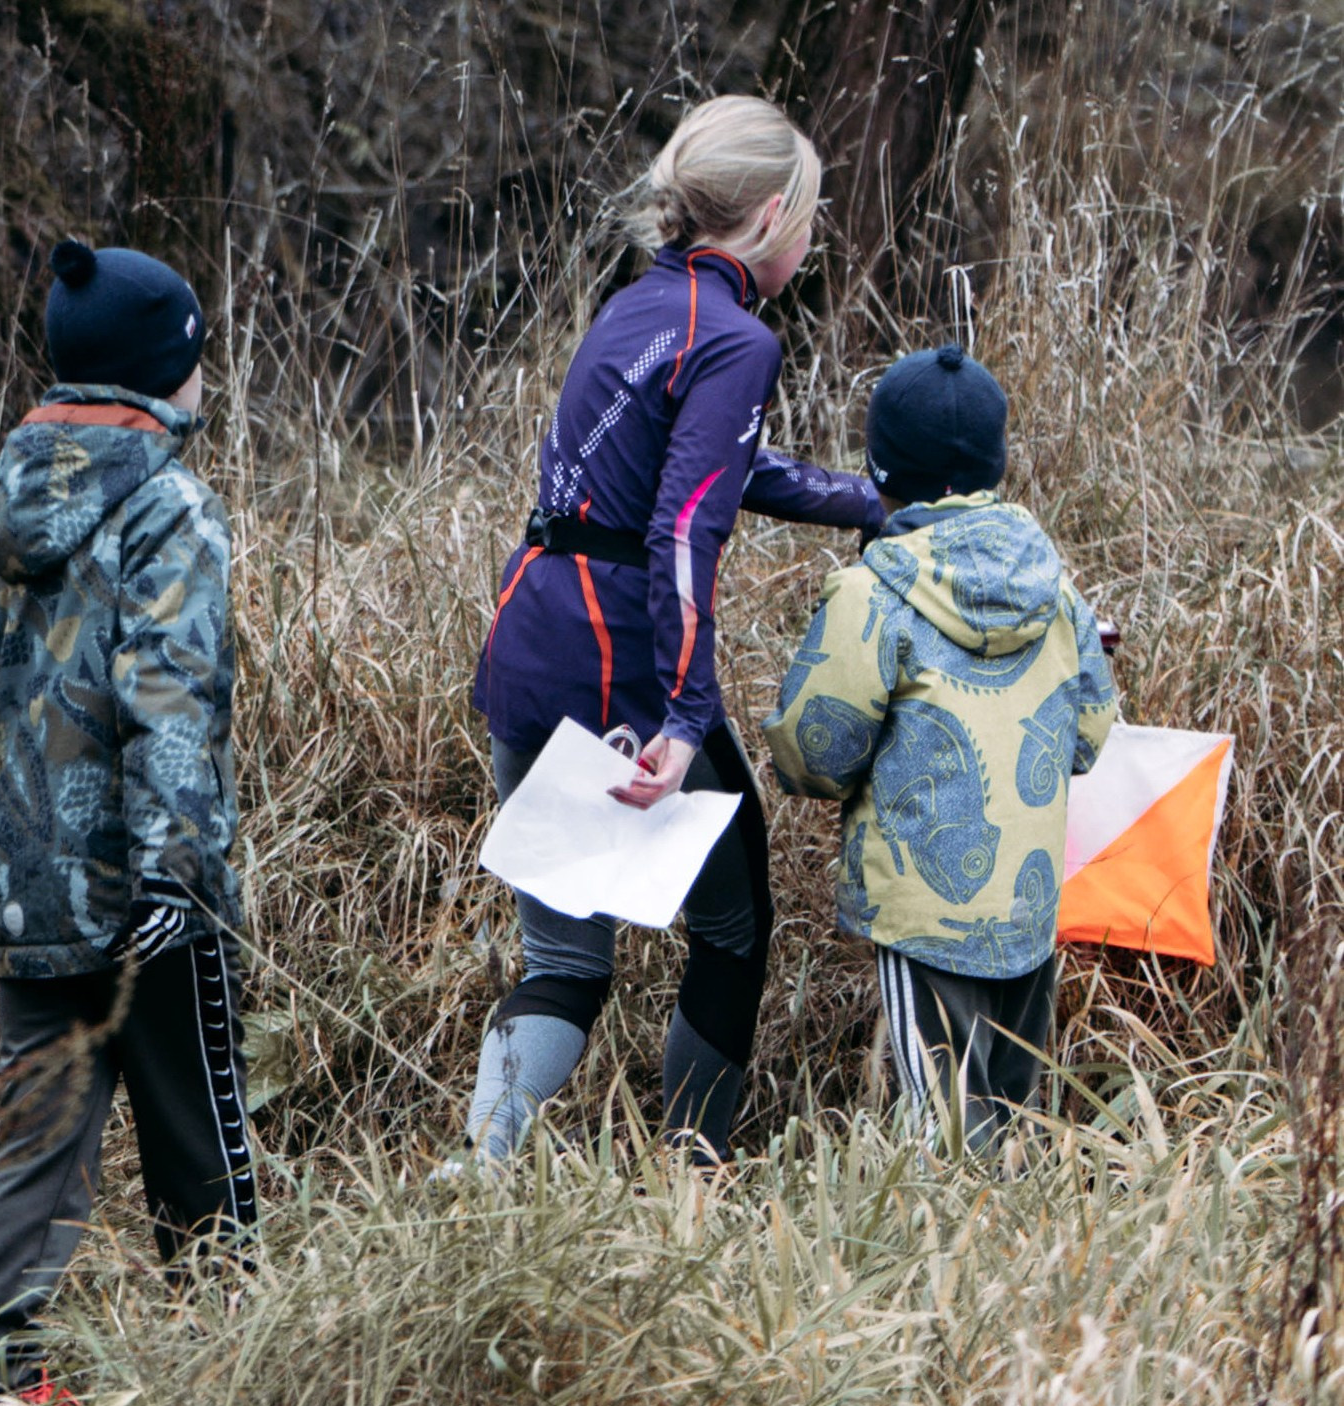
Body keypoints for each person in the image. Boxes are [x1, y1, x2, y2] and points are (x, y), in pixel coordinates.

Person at [467, 95, 882, 1164]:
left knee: (563, 953)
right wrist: (688, 716)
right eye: (812, 219)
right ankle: (689, 1180)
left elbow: (705, 474)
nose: (813, 239)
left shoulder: (639, 304)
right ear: (775, 213)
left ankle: (483, 1165)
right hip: (623, 660)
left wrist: (872, 501)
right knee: (736, 930)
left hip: (533, 632)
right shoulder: (738, 337)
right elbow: (684, 531)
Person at [0, 238, 251, 1406]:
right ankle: (232, 1369)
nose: (205, 371)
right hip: (143, 888)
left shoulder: (9, 486)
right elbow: (173, 693)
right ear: (161, 370)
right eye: (195, 350)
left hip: (27, 878)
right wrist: (178, 867)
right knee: (200, 1128)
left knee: (41, 1128)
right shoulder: (169, 503)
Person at [766, 345, 1116, 1150]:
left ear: (879, 466)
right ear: (995, 461)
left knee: (939, 1138)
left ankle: (950, 1270)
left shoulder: (872, 591)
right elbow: (1090, 735)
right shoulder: (1056, 588)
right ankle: (1024, 1263)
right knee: (1009, 1120)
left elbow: (814, 752)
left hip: (922, 912)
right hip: (1028, 908)